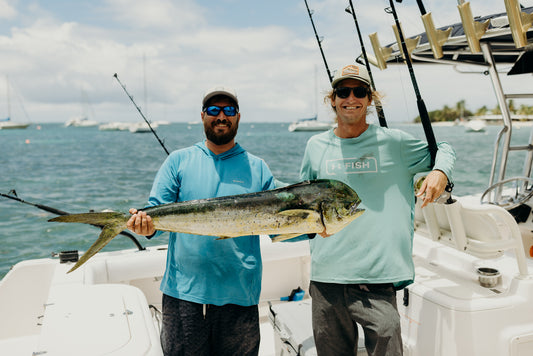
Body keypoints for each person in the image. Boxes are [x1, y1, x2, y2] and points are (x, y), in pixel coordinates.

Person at [299, 64, 455, 356]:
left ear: (370, 100)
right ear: (332, 99)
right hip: (326, 280)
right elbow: (305, 200)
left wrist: (439, 173)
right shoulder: (315, 146)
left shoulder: (394, 143)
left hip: (378, 279)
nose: (351, 98)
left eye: (360, 92)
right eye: (343, 92)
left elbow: (444, 148)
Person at [127, 86, 275, 356]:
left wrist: (318, 228)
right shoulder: (178, 161)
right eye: (214, 110)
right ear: (203, 116)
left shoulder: (258, 167)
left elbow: (283, 217)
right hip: (184, 293)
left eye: (229, 110)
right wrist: (144, 226)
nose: (221, 116)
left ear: (238, 117)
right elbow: (155, 211)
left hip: (240, 294)